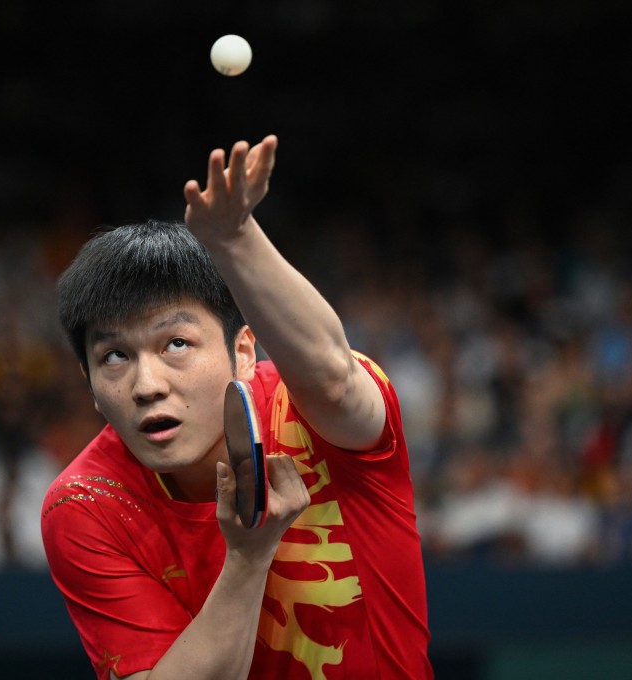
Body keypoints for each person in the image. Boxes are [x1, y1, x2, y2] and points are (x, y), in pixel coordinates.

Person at [41, 135, 433, 679]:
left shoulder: (310, 410)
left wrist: (235, 237)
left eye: (175, 344)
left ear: (243, 351)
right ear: (87, 379)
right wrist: (248, 559)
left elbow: (337, 381)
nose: (146, 384)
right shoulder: (86, 506)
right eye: (114, 356)